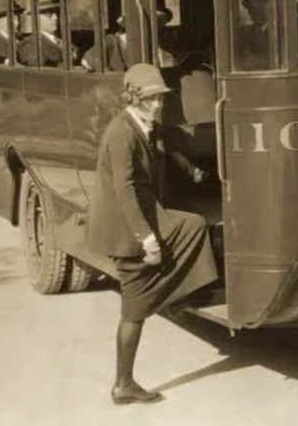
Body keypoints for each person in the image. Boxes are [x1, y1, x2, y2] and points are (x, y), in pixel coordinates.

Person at [86, 64, 218, 405]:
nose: (158, 105)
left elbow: (162, 150)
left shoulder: (140, 125)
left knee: (192, 225)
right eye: (150, 99)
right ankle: (123, 383)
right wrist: (147, 240)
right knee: (134, 307)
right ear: (134, 98)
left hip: (142, 215)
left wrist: (188, 167)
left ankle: (174, 296)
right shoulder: (121, 132)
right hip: (125, 227)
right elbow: (125, 190)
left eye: (160, 98)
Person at [17, 0, 71, 67]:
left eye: (56, 13)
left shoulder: (59, 40)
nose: (55, 17)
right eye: (49, 14)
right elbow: (36, 72)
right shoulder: (31, 44)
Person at [234, 0, 273, 69]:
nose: (250, 12)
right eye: (250, 8)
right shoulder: (244, 32)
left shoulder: (277, 32)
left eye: (254, 8)